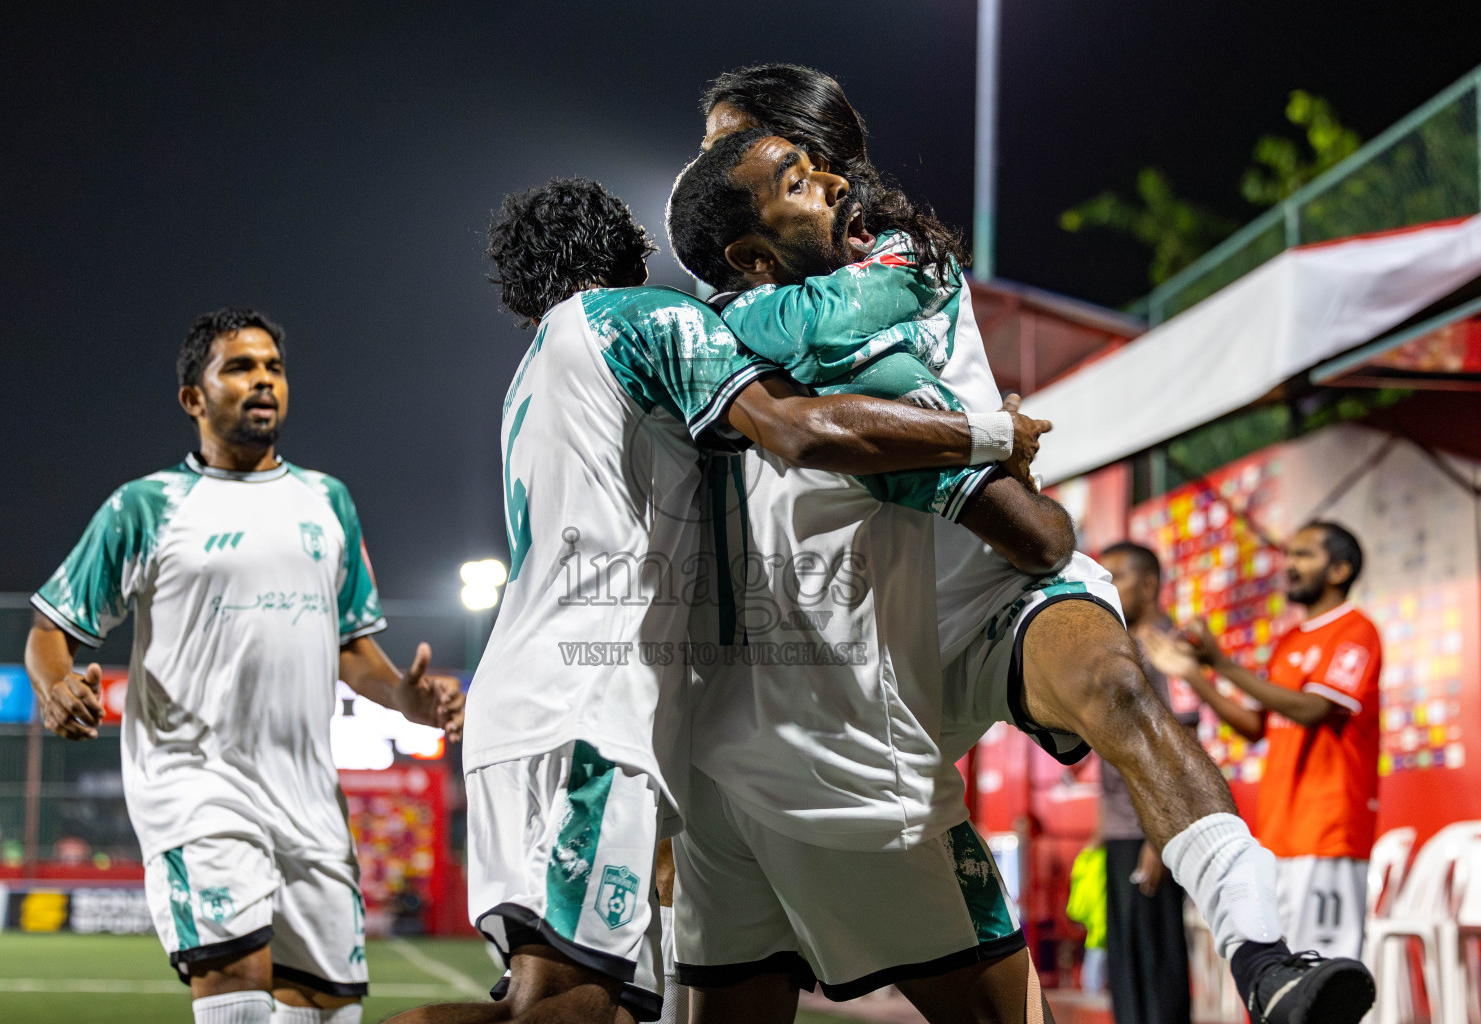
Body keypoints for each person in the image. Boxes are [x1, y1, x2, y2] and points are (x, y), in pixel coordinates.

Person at [671, 66, 1376, 1024]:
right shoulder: (722, 312)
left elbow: (843, 364)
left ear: (817, 151)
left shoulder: (900, 256)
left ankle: (1265, 953)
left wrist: (740, 338)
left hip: (982, 581)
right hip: (841, 652)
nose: (709, 161)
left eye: (733, 144)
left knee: (1117, 684)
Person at [390, 178, 1073, 1024]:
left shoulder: (533, 374)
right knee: (573, 1011)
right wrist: (987, 434)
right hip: (590, 718)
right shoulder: (638, 316)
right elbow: (798, 430)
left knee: (559, 1002)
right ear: (630, 250)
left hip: (523, 709)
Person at [23, 308, 465, 1024]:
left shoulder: (328, 501)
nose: (263, 380)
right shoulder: (146, 506)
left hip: (307, 797)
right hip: (194, 783)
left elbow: (353, 650)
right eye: (239, 366)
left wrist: (406, 700)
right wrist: (55, 684)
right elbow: (52, 627)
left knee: (326, 1008)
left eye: (273, 367)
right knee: (235, 980)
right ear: (193, 398)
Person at [1151, 522, 1382, 961]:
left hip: (1329, 831)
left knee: (1323, 971)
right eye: (1289, 554)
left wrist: (1223, 663)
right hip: (1281, 833)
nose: (1290, 565)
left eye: (1305, 555)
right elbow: (1255, 727)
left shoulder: (1357, 630)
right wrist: (1195, 674)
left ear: (1340, 570)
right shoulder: (1289, 641)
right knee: (1284, 969)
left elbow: (1312, 709)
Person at [1095, 542, 1194, 1024]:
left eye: (1117, 577)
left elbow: (1181, 751)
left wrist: (1160, 838)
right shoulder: (1124, 646)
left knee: (1158, 966)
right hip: (1120, 832)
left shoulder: (1168, 648)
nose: (1107, 587)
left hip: (1151, 831)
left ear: (1150, 584)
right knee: (1127, 963)